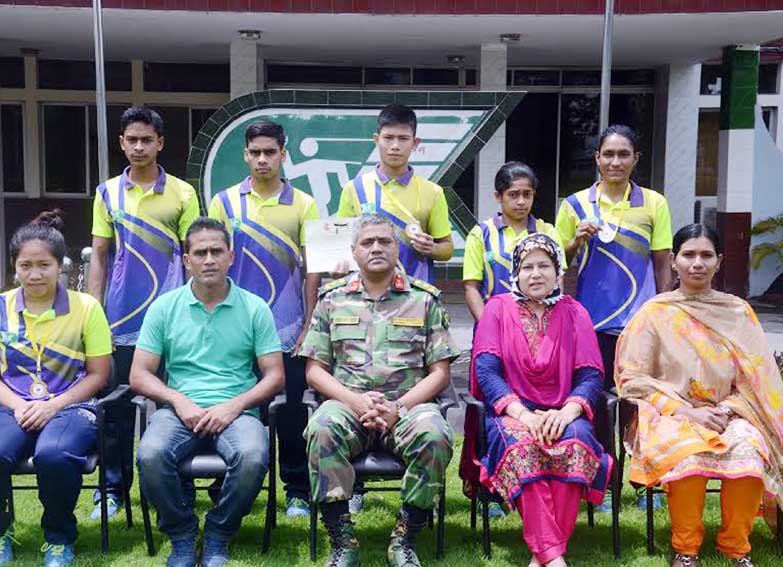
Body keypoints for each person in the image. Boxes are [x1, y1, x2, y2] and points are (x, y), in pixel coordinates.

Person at [615, 224, 783, 567]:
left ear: (719, 261)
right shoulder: (655, 314)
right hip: (669, 414)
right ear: (674, 260)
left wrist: (726, 411)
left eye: (706, 255)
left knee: (751, 451)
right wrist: (684, 411)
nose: (697, 263)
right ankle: (686, 548)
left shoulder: (738, 314)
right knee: (689, 458)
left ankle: (736, 548)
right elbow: (632, 378)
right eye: (689, 255)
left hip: (732, 412)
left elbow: (755, 379)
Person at [300, 214, 460, 567]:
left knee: (435, 434)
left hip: (407, 407)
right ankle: (343, 540)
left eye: (384, 242)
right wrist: (354, 401)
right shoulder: (332, 299)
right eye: (367, 242)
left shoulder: (424, 300)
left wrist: (397, 408)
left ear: (396, 248)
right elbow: (314, 371)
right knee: (321, 428)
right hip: (347, 404)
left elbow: (440, 373)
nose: (376, 248)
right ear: (353, 252)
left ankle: (405, 537)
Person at [132, 217, 284, 567]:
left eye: (217, 251)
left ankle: (218, 532)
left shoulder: (254, 308)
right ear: (187, 260)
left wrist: (234, 407)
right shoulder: (165, 307)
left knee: (252, 455)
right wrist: (178, 400)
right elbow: (139, 374)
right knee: (150, 454)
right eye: (200, 252)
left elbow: (274, 376)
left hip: (237, 412)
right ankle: (182, 534)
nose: (209, 259)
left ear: (231, 256)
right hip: (179, 412)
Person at [0, 211, 112, 567]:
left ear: (60, 265)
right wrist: (19, 406)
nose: (34, 274)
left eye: (43, 264)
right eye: (25, 265)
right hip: (11, 407)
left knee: (54, 456)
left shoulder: (85, 308)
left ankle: (59, 537)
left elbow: (99, 375)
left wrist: (53, 405)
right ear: (14, 266)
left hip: (71, 408)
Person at [460, 233, 612, 567]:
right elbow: (487, 371)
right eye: (527, 266)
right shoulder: (496, 310)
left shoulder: (576, 313)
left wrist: (567, 413)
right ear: (515, 272)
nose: (536, 273)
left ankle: (541, 554)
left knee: (575, 445)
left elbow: (590, 375)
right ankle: (554, 557)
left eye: (545, 265)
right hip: (511, 413)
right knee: (525, 448)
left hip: (565, 412)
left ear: (559, 272)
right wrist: (525, 416)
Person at [87, 106, 200, 520]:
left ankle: (178, 485)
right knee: (115, 410)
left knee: (176, 407)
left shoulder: (184, 194)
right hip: (118, 322)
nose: (138, 147)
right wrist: (94, 312)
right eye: (131, 139)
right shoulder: (107, 194)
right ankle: (112, 490)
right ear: (121, 143)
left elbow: (193, 256)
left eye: (146, 140)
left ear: (160, 144)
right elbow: (100, 256)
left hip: (171, 322)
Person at [208, 119, 320, 518]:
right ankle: (227, 482)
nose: (262, 159)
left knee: (290, 410)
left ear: (283, 155)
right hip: (236, 328)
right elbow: (213, 261)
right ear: (245, 154)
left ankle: (296, 490)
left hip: (288, 326)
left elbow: (313, 269)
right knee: (236, 404)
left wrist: (308, 323)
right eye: (254, 152)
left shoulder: (304, 204)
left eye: (270, 152)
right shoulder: (224, 203)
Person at [555, 124, 672, 390]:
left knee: (637, 397)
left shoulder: (655, 203)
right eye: (608, 154)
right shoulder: (574, 205)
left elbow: (662, 264)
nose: (615, 162)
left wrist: (662, 312)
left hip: (640, 321)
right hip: (590, 320)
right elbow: (556, 262)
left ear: (636, 158)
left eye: (623, 154)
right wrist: (576, 240)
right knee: (594, 394)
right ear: (597, 158)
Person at [336, 104, 454, 284]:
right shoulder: (354, 188)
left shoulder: (433, 192)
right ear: (376, 139)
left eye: (403, 138)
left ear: (415, 143)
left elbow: (447, 249)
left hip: (416, 297)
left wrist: (430, 248)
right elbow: (342, 246)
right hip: (364, 298)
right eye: (388, 138)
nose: (395, 146)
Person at [463, 161, 563, 322]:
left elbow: (558, 282)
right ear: (498, 196)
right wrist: (487, 327)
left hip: (538, 330)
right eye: (513, 194)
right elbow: (471, 287)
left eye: (527, 194)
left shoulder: (548, 232)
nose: (521, 201)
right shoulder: (480, 235)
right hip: (494, 325)